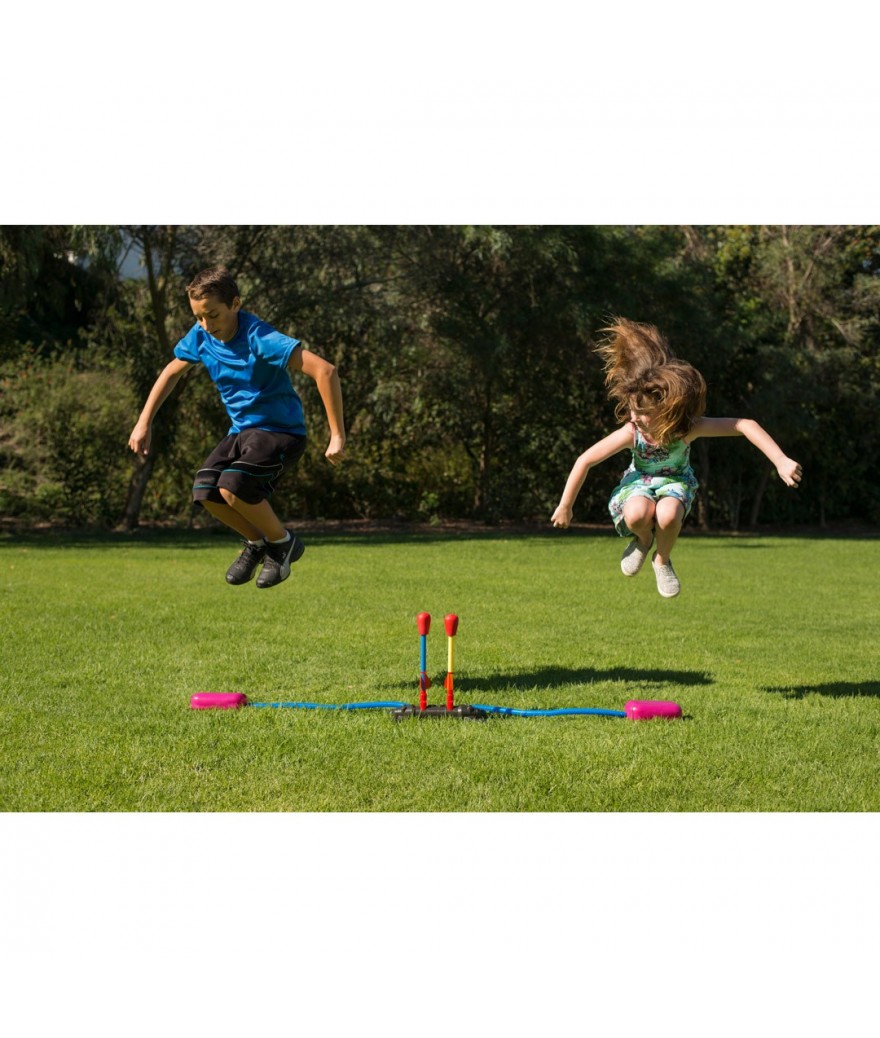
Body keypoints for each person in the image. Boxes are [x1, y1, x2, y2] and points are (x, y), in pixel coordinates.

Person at [551, 318, 802, 598]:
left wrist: (780, 460)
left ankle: (662, 559)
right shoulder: (631, 432)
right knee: (636, 514)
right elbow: (585, 460)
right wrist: (565, 506)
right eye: (633, 409)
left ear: (664, 408)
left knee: (668, 516)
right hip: (639, 483)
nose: (635, 417)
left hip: (675, 482)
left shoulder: (687, 429)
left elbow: (744, 424)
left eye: (643, 412)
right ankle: (644, 541)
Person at [128, 267, 346, 589]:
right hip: (242, 432)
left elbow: (324, 371)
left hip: (281, 431)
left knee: (234, 486)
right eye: (199, 317)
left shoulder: (260, 338)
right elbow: (172, 372)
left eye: (213, 315)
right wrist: (144, 421)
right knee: (205, 490)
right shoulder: (201, 336)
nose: (206, 325)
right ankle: (257, 543)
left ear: (235, 304)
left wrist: (337, 435)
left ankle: (283, 544)